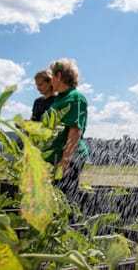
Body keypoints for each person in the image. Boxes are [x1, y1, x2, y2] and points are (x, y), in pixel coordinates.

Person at [41, 58, 88, 200]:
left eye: (51, 76)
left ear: (59, 76)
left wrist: (65, 162)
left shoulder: (75, 97)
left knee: (64, 202)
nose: (50, 81)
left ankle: (71, 223)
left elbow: (75, 130)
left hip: (66, 160)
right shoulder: (60, 98)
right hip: (53, 159)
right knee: (52, 202)